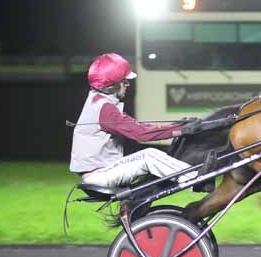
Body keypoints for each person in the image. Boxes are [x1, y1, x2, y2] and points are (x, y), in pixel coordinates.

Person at [69, 53, 202, 188]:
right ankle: (197, 179)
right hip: (100, 174)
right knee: (149, 156)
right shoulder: (105, 108)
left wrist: (176, 126)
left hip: (99, 171)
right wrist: (180, 130)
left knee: (148, 158)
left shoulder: (97, 100)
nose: (127, 84)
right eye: (124, 81)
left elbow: (138, 127)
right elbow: (141, 133)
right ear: (112, 84)